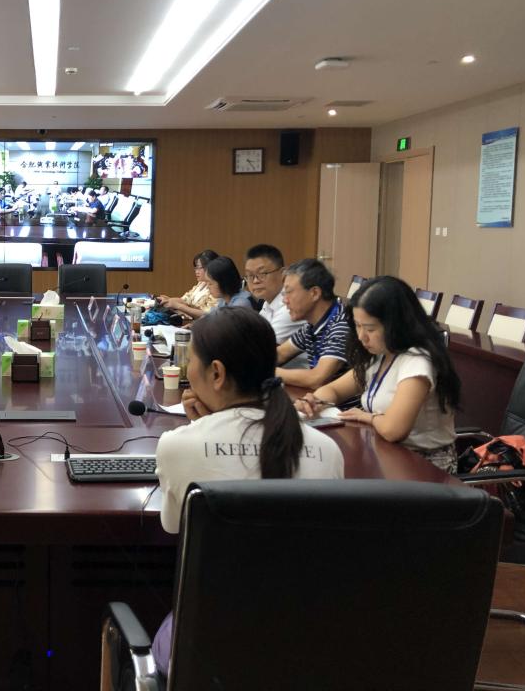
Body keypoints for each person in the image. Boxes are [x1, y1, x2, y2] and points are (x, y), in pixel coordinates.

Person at [152, 307, 344, 676]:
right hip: (306, 642)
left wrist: (203, 428)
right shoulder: (327, 449)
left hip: (211, 643)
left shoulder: (178, 444)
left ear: (217, 373)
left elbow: (174, 527)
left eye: (191, 362)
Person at [296, 276, 461, 472]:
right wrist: (315, 401)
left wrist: (367, 417)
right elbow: (334, 389)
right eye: (357, 326)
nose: (361, 337)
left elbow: (394, 430)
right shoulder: (381, 354)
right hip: (385, 454)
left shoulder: (417, 362)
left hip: (424, 467)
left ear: (396, 325)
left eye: (370, 329)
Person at [274, 258, 352, 390]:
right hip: (320, 398)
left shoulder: (341, 324)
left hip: (342, 402)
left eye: (289, 292)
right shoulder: (311, 325)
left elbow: (316, 378)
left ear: (314, 293)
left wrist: (267, 371)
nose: (285, 300)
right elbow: (280, 354)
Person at [244, 244, 306, 343]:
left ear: (283, 274)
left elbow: (262, 346)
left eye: (262, 273)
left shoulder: (290, 307)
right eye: (250, 275)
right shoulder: (268, 302)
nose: (255, 281)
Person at [157, 249, 219, 319]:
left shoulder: (217, 287)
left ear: (210, 267)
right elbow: (185, 300)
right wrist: (168, 300)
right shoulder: (201, 284)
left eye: (199, 268)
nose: (196, 271)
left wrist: (178, 306)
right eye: (195, 268)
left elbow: (208, 315)